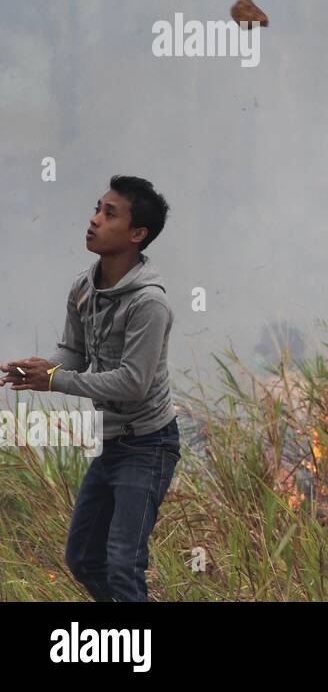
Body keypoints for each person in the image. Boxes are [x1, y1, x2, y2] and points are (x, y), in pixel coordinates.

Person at [2, 175, 179, 601]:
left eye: (109, 214)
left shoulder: (148, 304)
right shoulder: (84, 287)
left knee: (122, 564)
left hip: (148, 446)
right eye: (97, 209)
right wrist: (45, 368)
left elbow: (132, 384)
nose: (94, 220)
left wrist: (55, 380)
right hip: (111, 443)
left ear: (137, 235)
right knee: (84, 559)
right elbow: (74, 352)